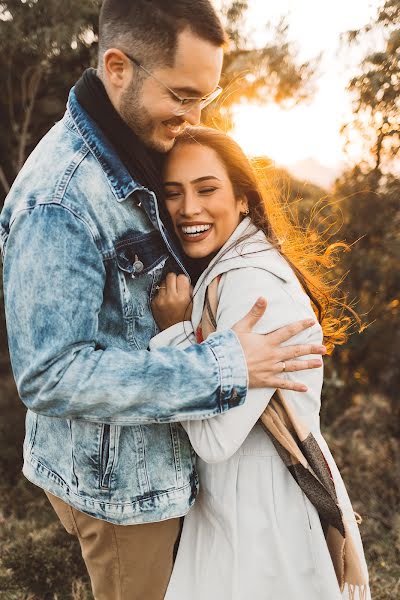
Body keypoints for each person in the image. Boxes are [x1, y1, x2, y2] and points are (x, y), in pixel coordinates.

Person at [0, 2, 327, 599]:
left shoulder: (132, 143)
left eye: (205, 97)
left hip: (157, 472)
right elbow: (49, 374)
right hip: (123, 491)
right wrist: (222, 364)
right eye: (181, 95)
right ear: (117, 67)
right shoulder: (60, 200)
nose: (193, 115)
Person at [149, 126, 371, 600]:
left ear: (244, 199)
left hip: (261, 522)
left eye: (207, 189)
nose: (188, 208)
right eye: (173, 194)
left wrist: (173, 335)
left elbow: (213, 439)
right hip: (236, 508)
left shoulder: (252, 284)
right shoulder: (225, 270)